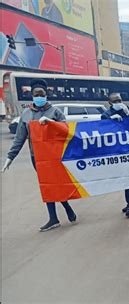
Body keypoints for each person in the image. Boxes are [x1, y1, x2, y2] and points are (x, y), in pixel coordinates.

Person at [2, 79, 76, 232]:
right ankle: (56, 215)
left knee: (53, 184)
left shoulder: (54, 112)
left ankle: (63, 211)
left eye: (41, 94)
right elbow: (19, 138)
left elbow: (66, 130)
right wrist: (10, 157)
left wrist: (50, 122)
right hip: (37, 158)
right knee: (47, 185)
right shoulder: (26, 114)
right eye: (36, 95)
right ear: (32, 96)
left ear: (46, 95)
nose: (39, 97)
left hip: (54, 156)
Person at [101, 93, 129, 218]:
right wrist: (110, 121)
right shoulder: (106, 115)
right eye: (115, 101)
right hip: (116, 151)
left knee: (128, 176)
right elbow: (102, 129)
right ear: (110, 103)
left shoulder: (128, 109)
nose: (118, 103)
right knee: (123, 177)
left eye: (119, 100)